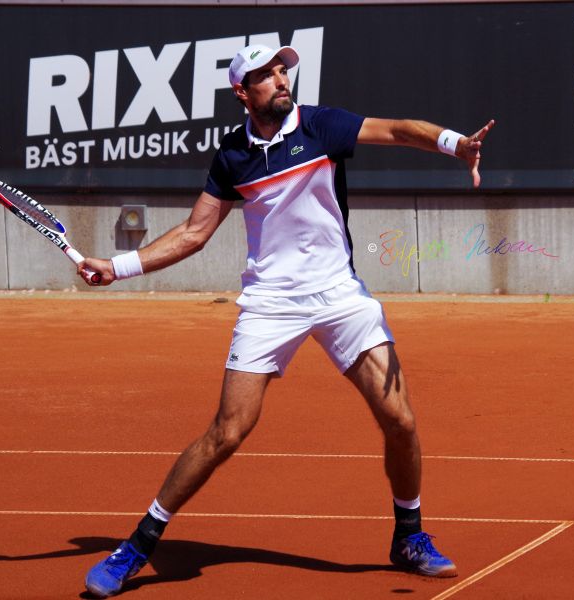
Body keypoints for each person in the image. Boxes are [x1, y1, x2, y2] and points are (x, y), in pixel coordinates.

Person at [79, 43, 495, 598]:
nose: (280, 79)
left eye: (282, 70)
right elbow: (195, 233)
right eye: (266, 75)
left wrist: (454, 143)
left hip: (339, 294)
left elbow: (397, 130)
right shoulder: (233, 155)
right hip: (270, 303)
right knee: (228, 432)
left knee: (400, 420)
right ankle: (138, 544)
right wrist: (119, 266)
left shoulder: (321, 126)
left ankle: (409, 536)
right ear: (242, 92)